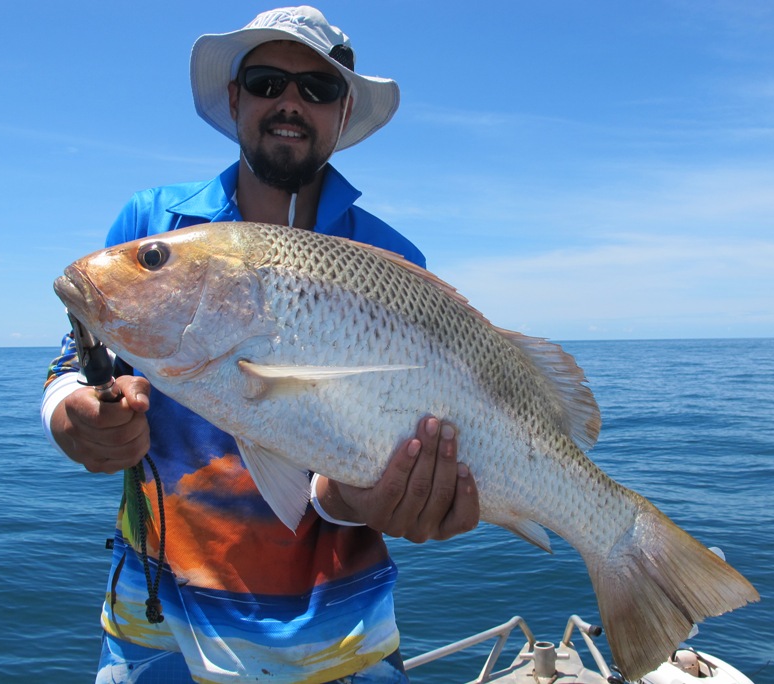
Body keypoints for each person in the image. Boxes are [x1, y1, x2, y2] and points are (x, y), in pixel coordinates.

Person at [41, 6, 480, 683]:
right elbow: (76, 364)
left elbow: (346, 481)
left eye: (318, 88)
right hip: (158, 630)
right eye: (268, 80)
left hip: (345, 639)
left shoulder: (394, 261)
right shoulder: (152, 223)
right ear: (236, 97)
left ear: (341, 112)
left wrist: (370, 498)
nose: (289, 102)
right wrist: (73, 414)